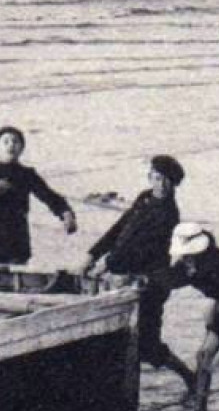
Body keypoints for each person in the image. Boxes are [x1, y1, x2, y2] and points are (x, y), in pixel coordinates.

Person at [83, 155, 196, 395]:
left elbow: (138, 248)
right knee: (122, 338)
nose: (161, 185)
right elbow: (120, 229)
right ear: (150, 177)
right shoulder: (144, 198)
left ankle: (188, 376)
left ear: (174, 184)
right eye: (157, 178)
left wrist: (107, 264)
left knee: (147, 345)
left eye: (167, 181)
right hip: (127, 277)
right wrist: (92, 254)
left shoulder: (168, 214)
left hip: (152, 283)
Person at [0, 126, 78, 265]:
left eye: (15, 141)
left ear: (22, 148)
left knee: (16, 277)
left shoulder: (26, 174)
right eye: (5, 142)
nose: (11, 145)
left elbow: (49, 196)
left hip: (16, 238)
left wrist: (66, 213)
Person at [164, 222, 219, 411]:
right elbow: (171, 279)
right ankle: (200, 407)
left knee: (205, 354)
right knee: (204, 355)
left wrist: (216, 312)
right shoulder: (190, 261)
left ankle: (200, 409)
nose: (185, 259)